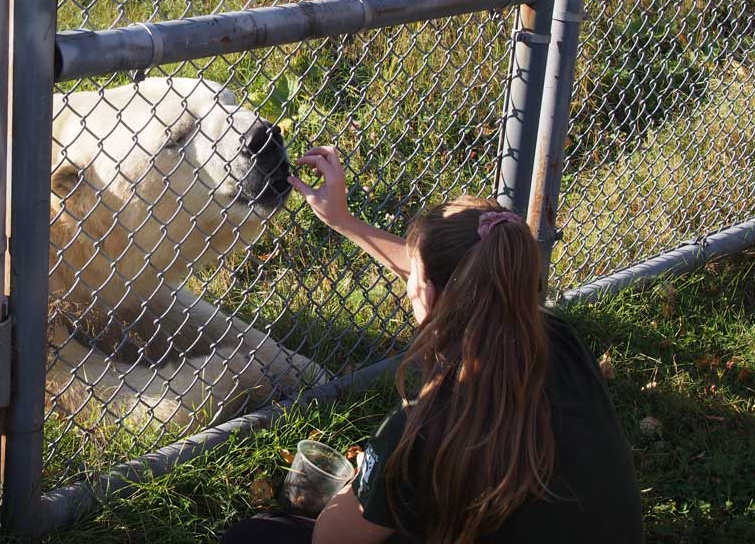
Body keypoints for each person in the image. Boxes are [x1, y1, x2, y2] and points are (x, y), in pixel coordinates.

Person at [222, 146, 644, 544]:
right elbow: (465, 274)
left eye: (414, 275)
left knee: (256, 536)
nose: (407, 283)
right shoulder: (557, 336)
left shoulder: (426, 424)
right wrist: (344, 221)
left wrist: (361, 478)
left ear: (430, 293)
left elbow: (331, 538)